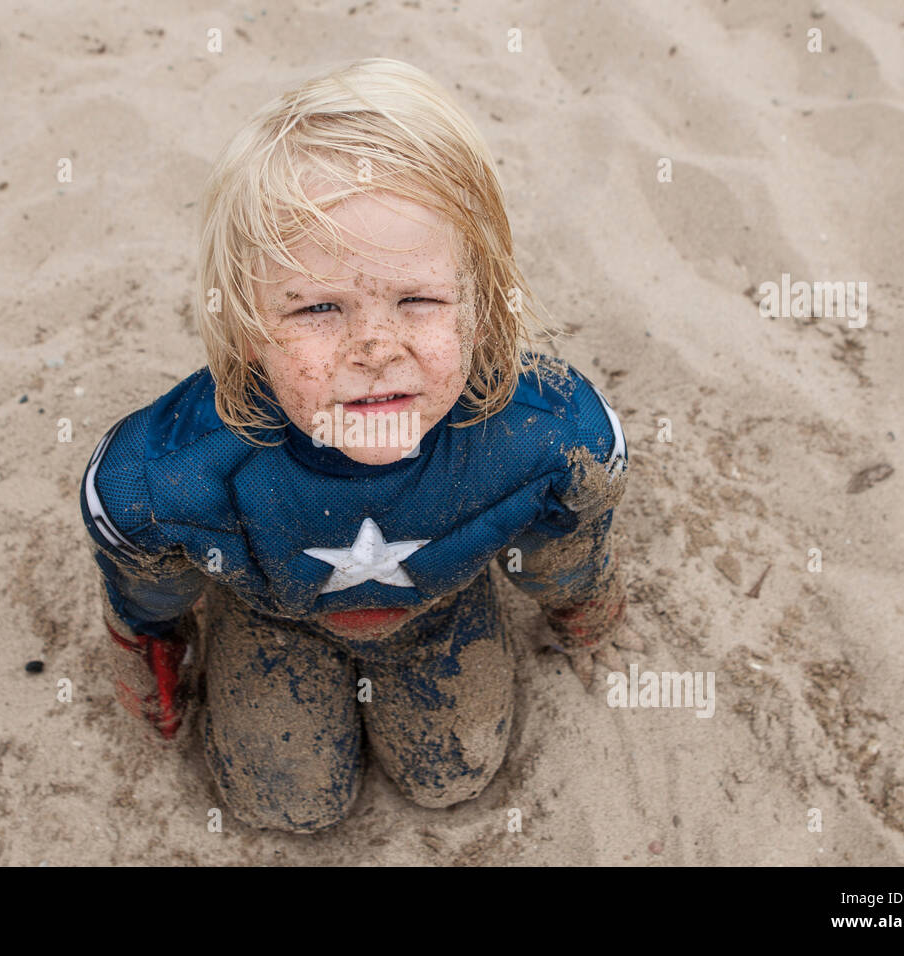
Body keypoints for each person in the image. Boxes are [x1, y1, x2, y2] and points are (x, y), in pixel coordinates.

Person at [79, 57, 639, 833]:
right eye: (316, 308)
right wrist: (146, 643)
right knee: (289, 804)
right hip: (276, 611)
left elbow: (569, 534)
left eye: (418, 299)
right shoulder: (178, 475)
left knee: (452, 776)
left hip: (434, 601)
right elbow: (138, 556)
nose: (375, 345)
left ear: (481, 307)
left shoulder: (545, 437)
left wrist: (587, 610)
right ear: (247, 328)